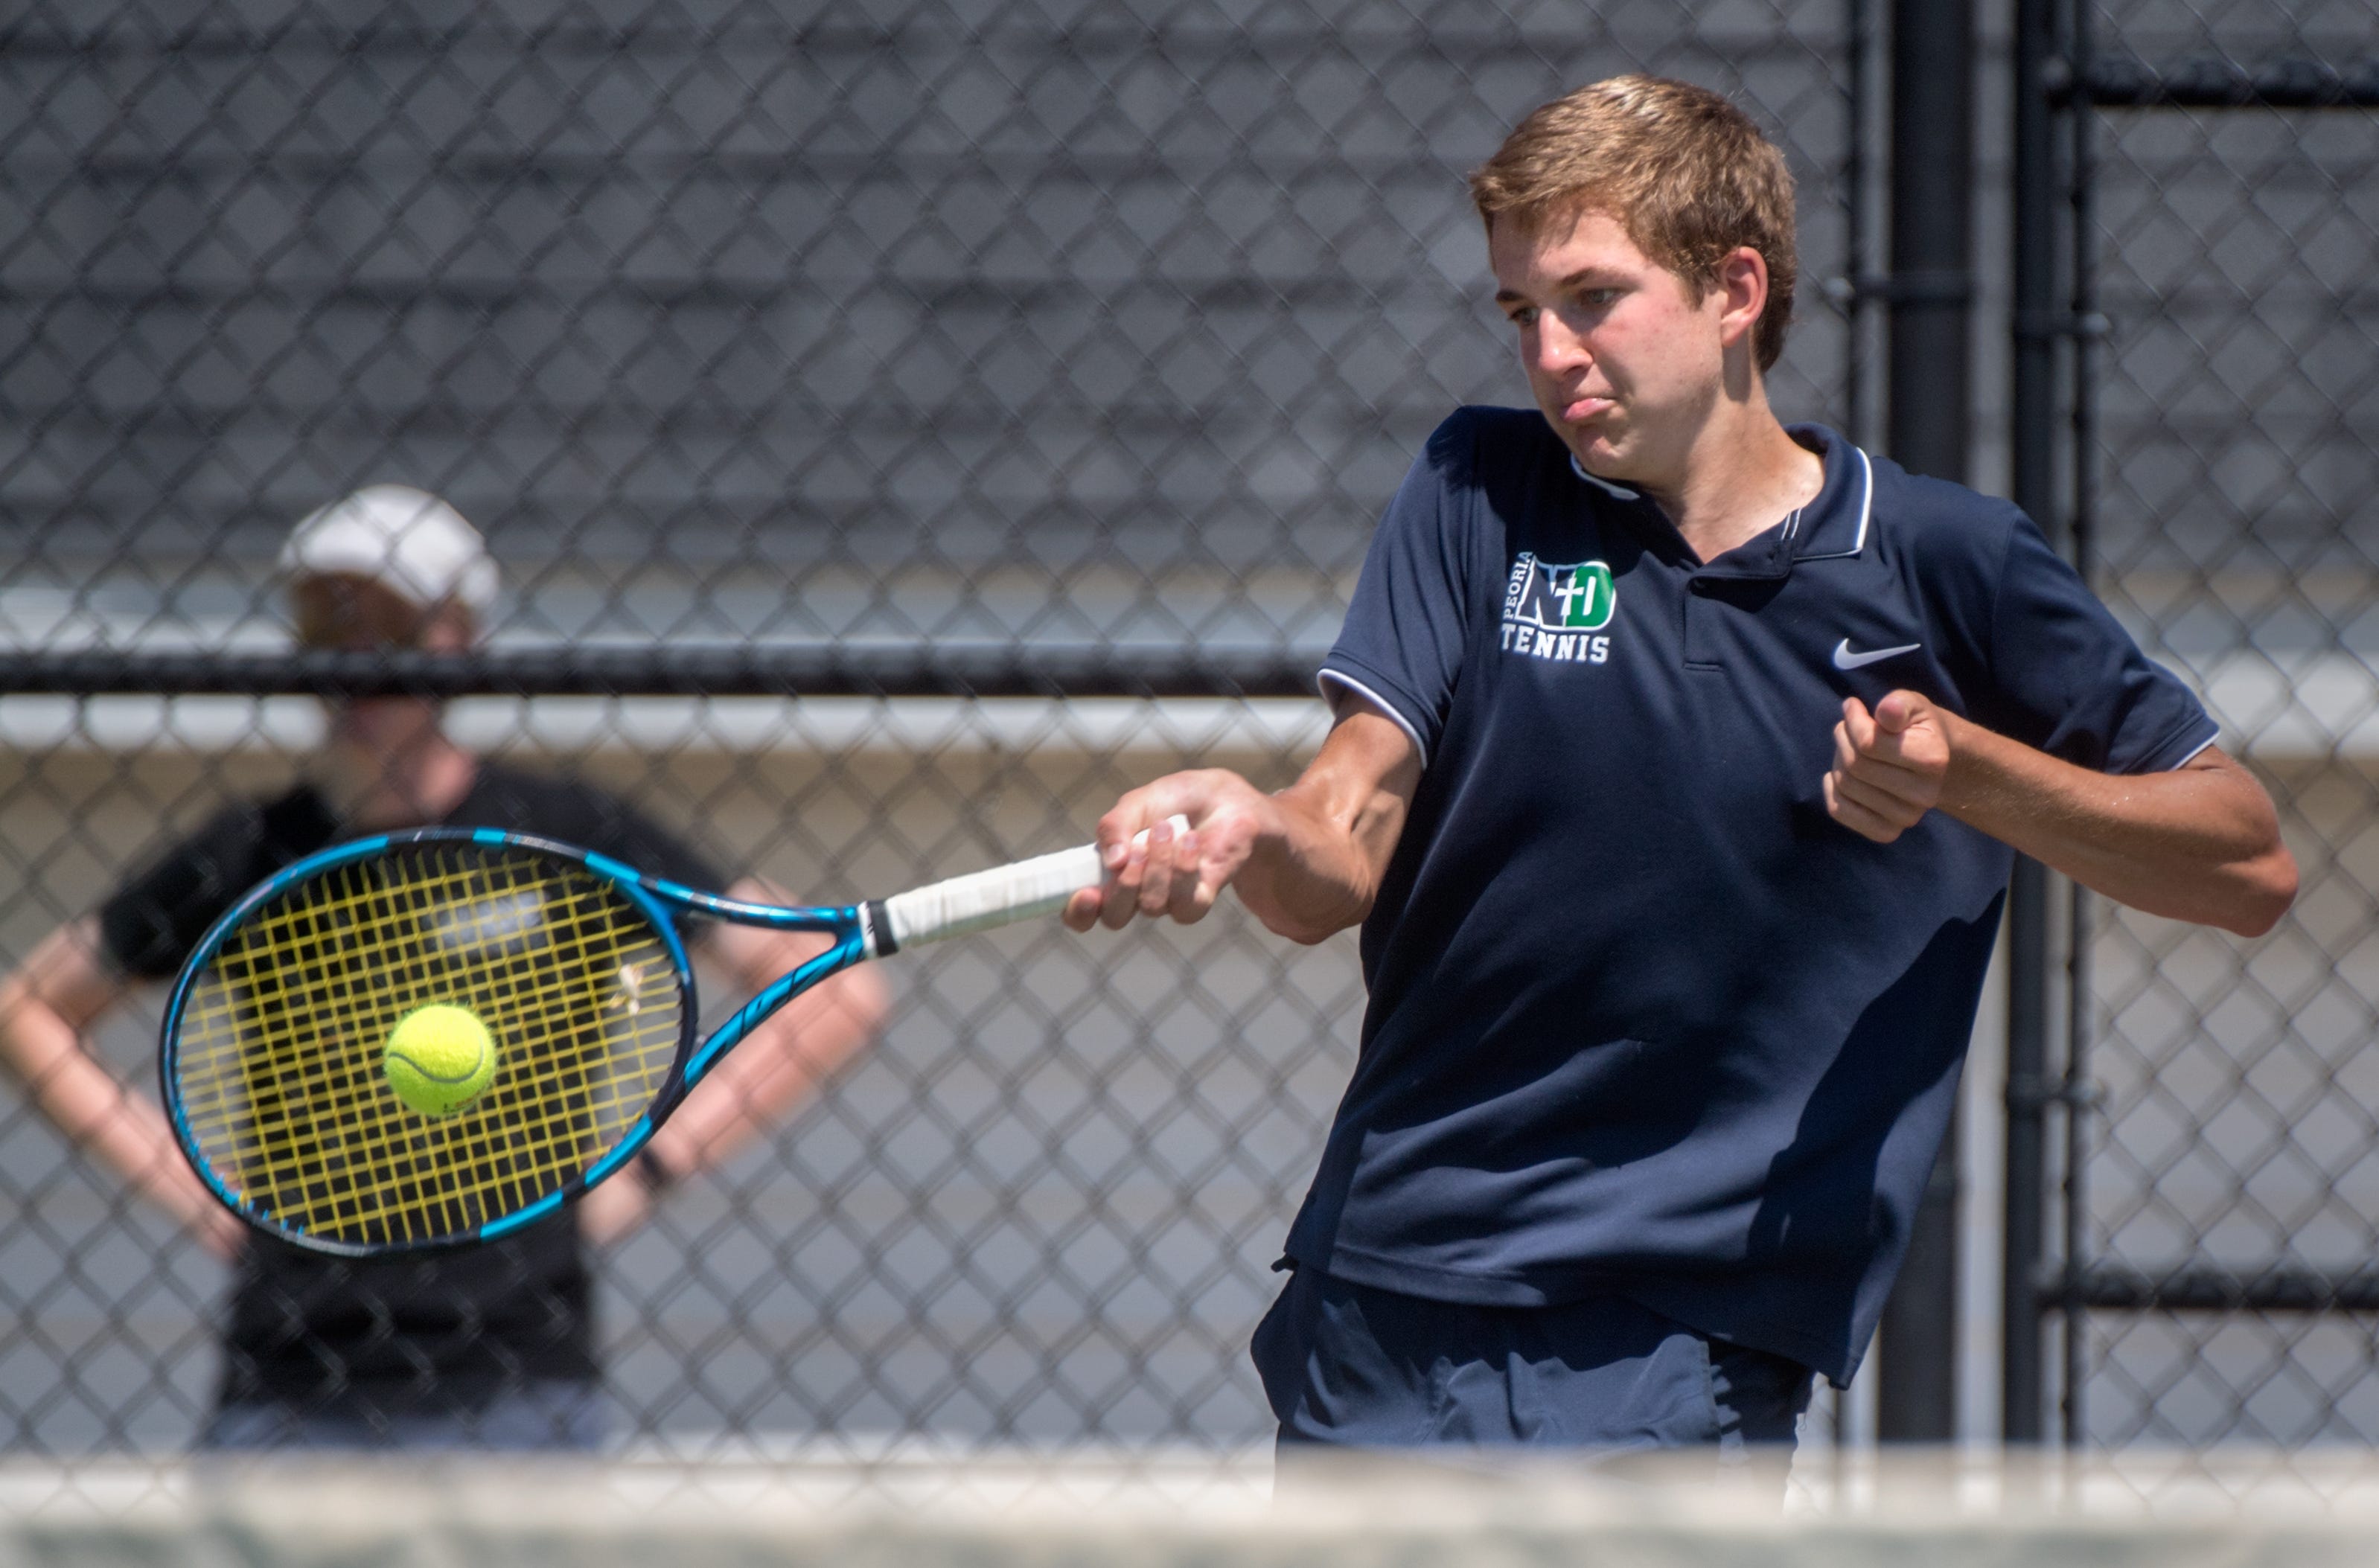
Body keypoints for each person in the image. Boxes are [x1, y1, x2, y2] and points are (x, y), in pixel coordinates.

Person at [1063, 76, 2296, 1472]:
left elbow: (2248, 863)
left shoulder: (1951, 562)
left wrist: (1974, 779)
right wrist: (1251, 822)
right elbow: (1336, 848)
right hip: (1380, 1300)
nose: (1550, 350)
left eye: (1591, 297)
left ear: (1736, 290)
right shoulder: (1478, 492)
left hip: (1676, 1343)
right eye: (1521, 311)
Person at [0, 485, 890, 1450]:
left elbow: (833, 986)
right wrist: (194, 1190)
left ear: (458, 637)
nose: (355, 659)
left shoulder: (562, 835)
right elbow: (30, 1010)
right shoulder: (247, 852)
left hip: (518, 1375)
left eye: (386, 625)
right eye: (327, 622)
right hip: (288, 1381)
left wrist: (652, 1170)